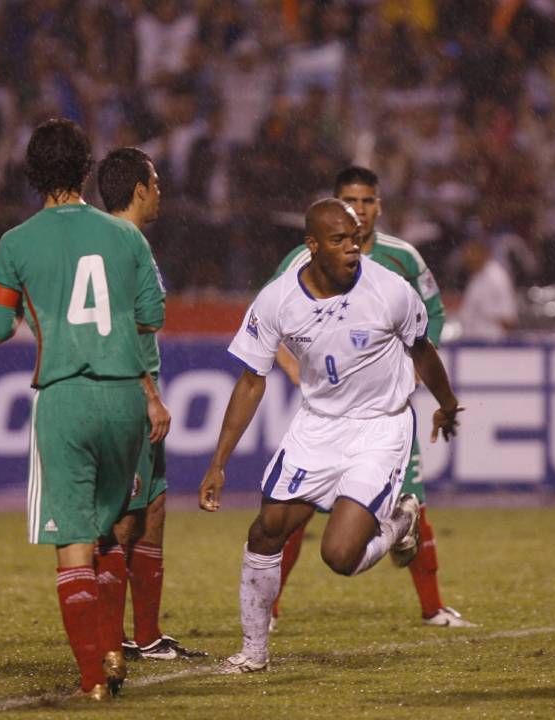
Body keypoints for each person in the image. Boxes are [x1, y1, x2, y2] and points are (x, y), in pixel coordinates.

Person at [198, 198, 464, 673]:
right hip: (318, 426)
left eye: (357, 238)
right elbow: (251, 380)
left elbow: (422, 353)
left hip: (380, 428)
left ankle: (400, 523)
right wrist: (218, 461)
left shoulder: (392, 291)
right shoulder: (278, 298)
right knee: (265, 531)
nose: (353, 249)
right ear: (312, 246)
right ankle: (254, 654)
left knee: (339, 556)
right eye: (339, 240)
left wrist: (445, 405)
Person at [0, 118, 168, 700]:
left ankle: (94, 678)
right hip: (123, 399)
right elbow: (151, 318)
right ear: (87, 169)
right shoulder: (127, 237)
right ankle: (114, 649)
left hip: (65, 395)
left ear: (31, 173)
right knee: (115, 531)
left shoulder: (16, 243)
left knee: (73, 542)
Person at [267, 166, 474, 629]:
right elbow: (271, 320)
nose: (358, 211)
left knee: (410, 503)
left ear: (380, 206)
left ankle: (432, 607)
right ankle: (271, 606)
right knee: (295, 511)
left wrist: (419, 370)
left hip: (385, 413)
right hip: (327, 415)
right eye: (349, 202)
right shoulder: (304, 257)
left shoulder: (403, 258)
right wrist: (293, 367)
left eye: (367, 201)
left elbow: (431, 316)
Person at [96, 147, 206, 662]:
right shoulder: (117, 246)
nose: (160, 191)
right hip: (127, 394)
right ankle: (109, 637)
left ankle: (146, 636)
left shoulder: (131, 241)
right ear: (139, 189)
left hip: (142, 391)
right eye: (156, 183)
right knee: (122, 516)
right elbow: (119, 327)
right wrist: (148, 395)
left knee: (153, 507)